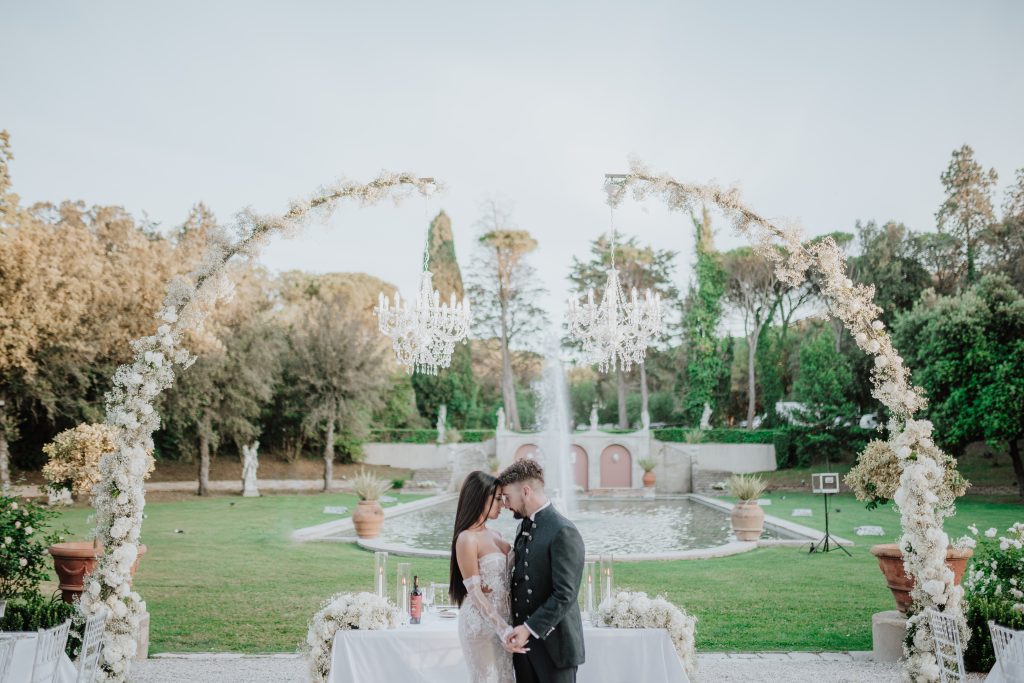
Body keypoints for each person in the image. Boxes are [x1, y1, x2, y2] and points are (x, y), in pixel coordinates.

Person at [499, 459, 586, 683]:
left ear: (525, 491)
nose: (505, 504)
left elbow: (565, 594)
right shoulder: (523, 526)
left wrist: (529, 628)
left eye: (507, 497)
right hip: (524, 649)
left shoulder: (563, 531)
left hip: (556, 649)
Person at [450, 470, 524, 682]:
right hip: (481, 624)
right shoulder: (466, 539)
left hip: (506, 619)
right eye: (498, 498)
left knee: (506, 678)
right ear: (480, 498)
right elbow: (475, 592)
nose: (503, 504)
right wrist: (503, 629)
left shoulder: (495, 534)